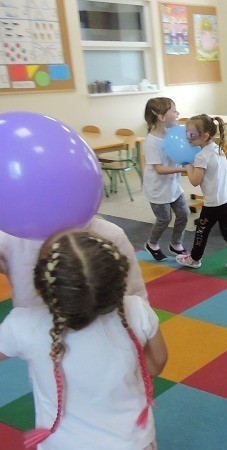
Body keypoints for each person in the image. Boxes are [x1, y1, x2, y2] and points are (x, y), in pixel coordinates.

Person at [0, 230, 168, 449]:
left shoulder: (23, 323)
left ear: (40, 288)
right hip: (133, 442)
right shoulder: (136, 308)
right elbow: (157, 362)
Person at [0, 216, 148, 308]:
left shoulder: (111, 234)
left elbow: (136, 295)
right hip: (36, 335)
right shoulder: (10, 238)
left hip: (107, 333)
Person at [177, 114, 227, 271]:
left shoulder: (202, 156)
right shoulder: (217, 148)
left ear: (205, 136)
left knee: (202, 230)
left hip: (215, 203)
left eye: (191, 134)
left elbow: (195, 180)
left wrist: (187, 165)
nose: (187, 137)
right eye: (187, 133)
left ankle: (194, 259)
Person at [142, 97, 190, 261]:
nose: (178, 113)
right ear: (162, 116)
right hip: (157, 188)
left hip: (173, 186)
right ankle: (152, 244)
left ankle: (176, 243)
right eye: (174, 111)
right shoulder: (151, 142)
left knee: (184, 213)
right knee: (164, 219)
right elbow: (159, 169)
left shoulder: (173, 134)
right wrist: (182, 169)